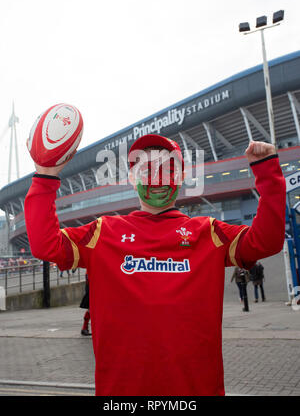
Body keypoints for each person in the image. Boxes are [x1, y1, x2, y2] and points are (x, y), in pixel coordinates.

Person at [24, 135, 286, 396]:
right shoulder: (103, 232)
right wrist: (45, 175)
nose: (157, 177)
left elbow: (266, 242)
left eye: (167, 168)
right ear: (131, 178)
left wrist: (268, 176)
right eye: (146, 169)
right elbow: (45, 245)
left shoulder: (209, 232)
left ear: (181, 176)